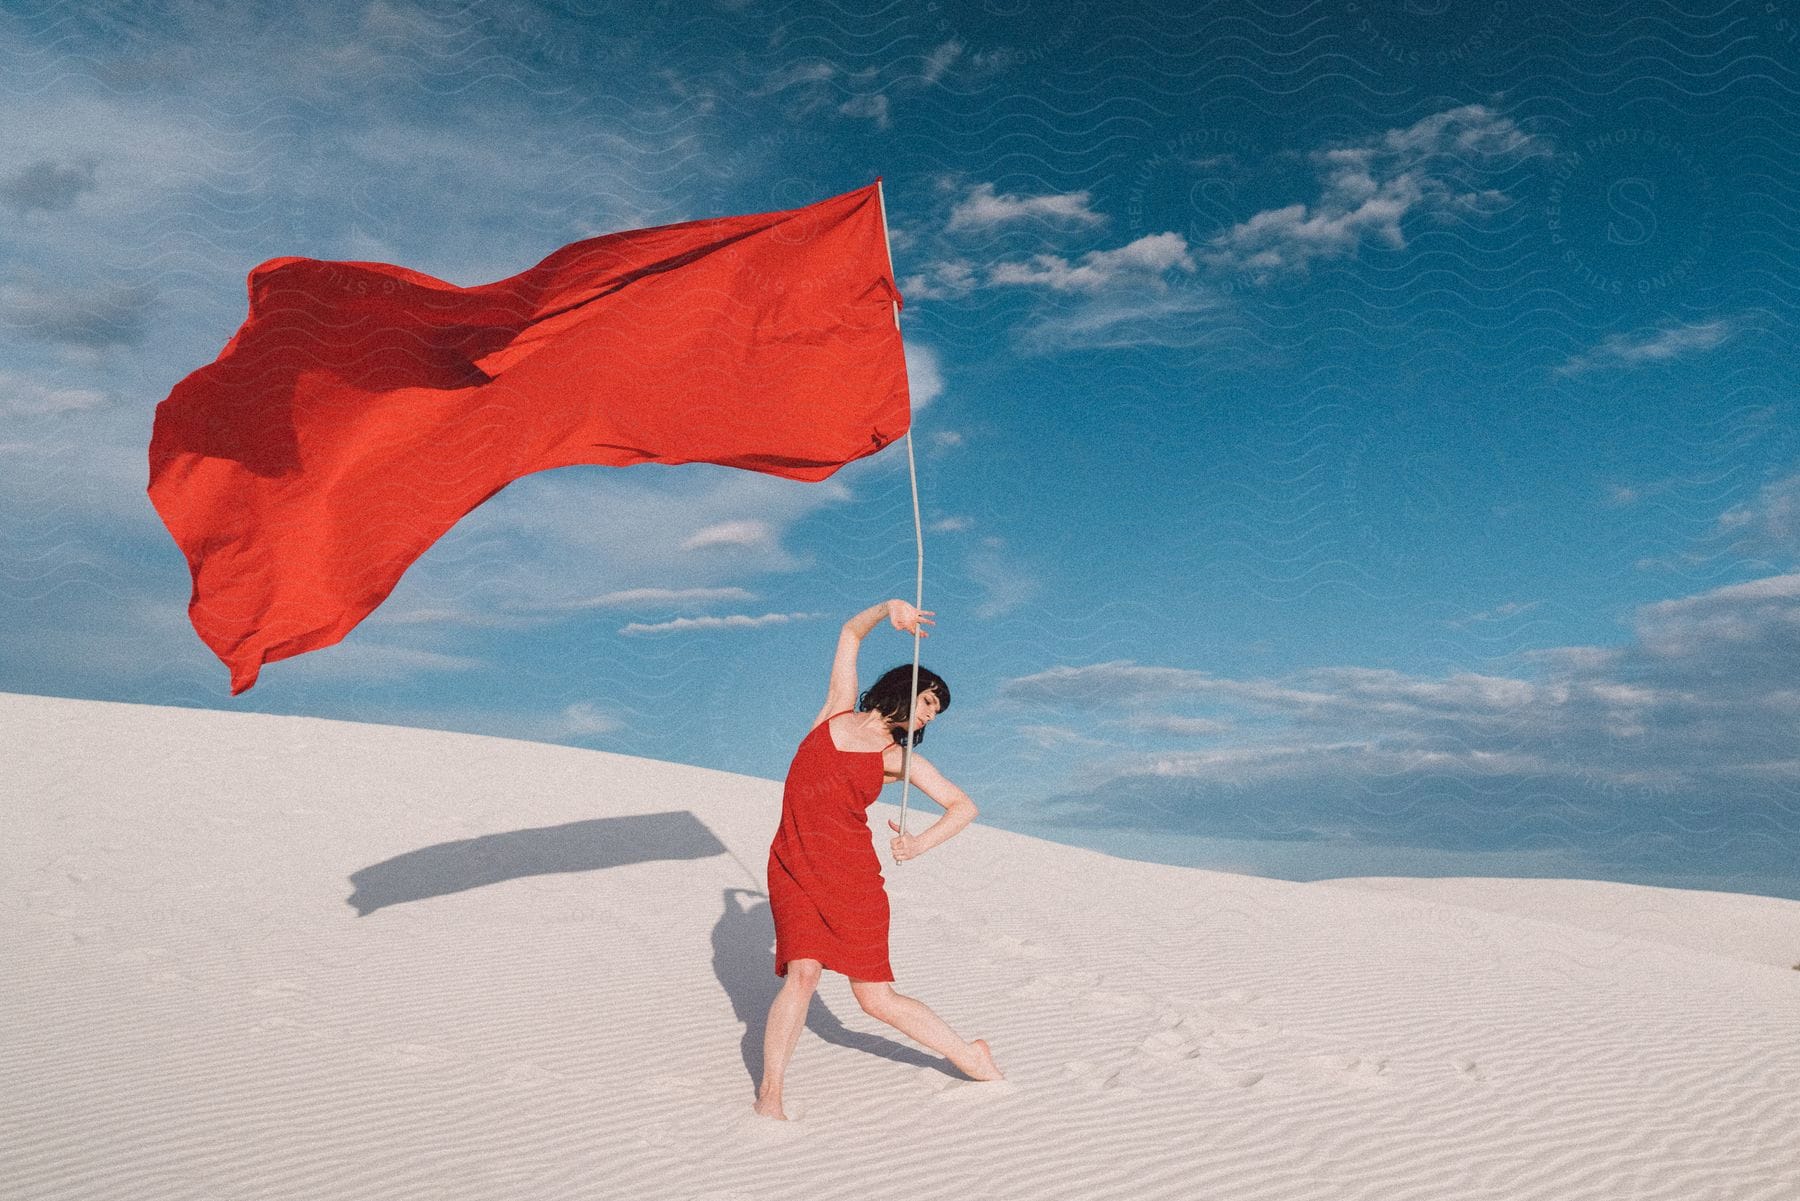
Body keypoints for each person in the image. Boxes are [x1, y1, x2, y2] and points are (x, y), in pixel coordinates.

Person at [752, 598, 1003, 1120]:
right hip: (793, 867)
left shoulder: (898, 758)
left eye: (936, 711)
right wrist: (889, 608)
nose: (930, 714)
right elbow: (849, 633)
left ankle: (969, 1056)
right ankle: (771, 1093)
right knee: (802, 974)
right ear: (904, 689)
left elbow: (964, 806)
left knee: (874, 999)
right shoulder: (835, 712)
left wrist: (919, 843)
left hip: (853, 881)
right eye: (930, 701)